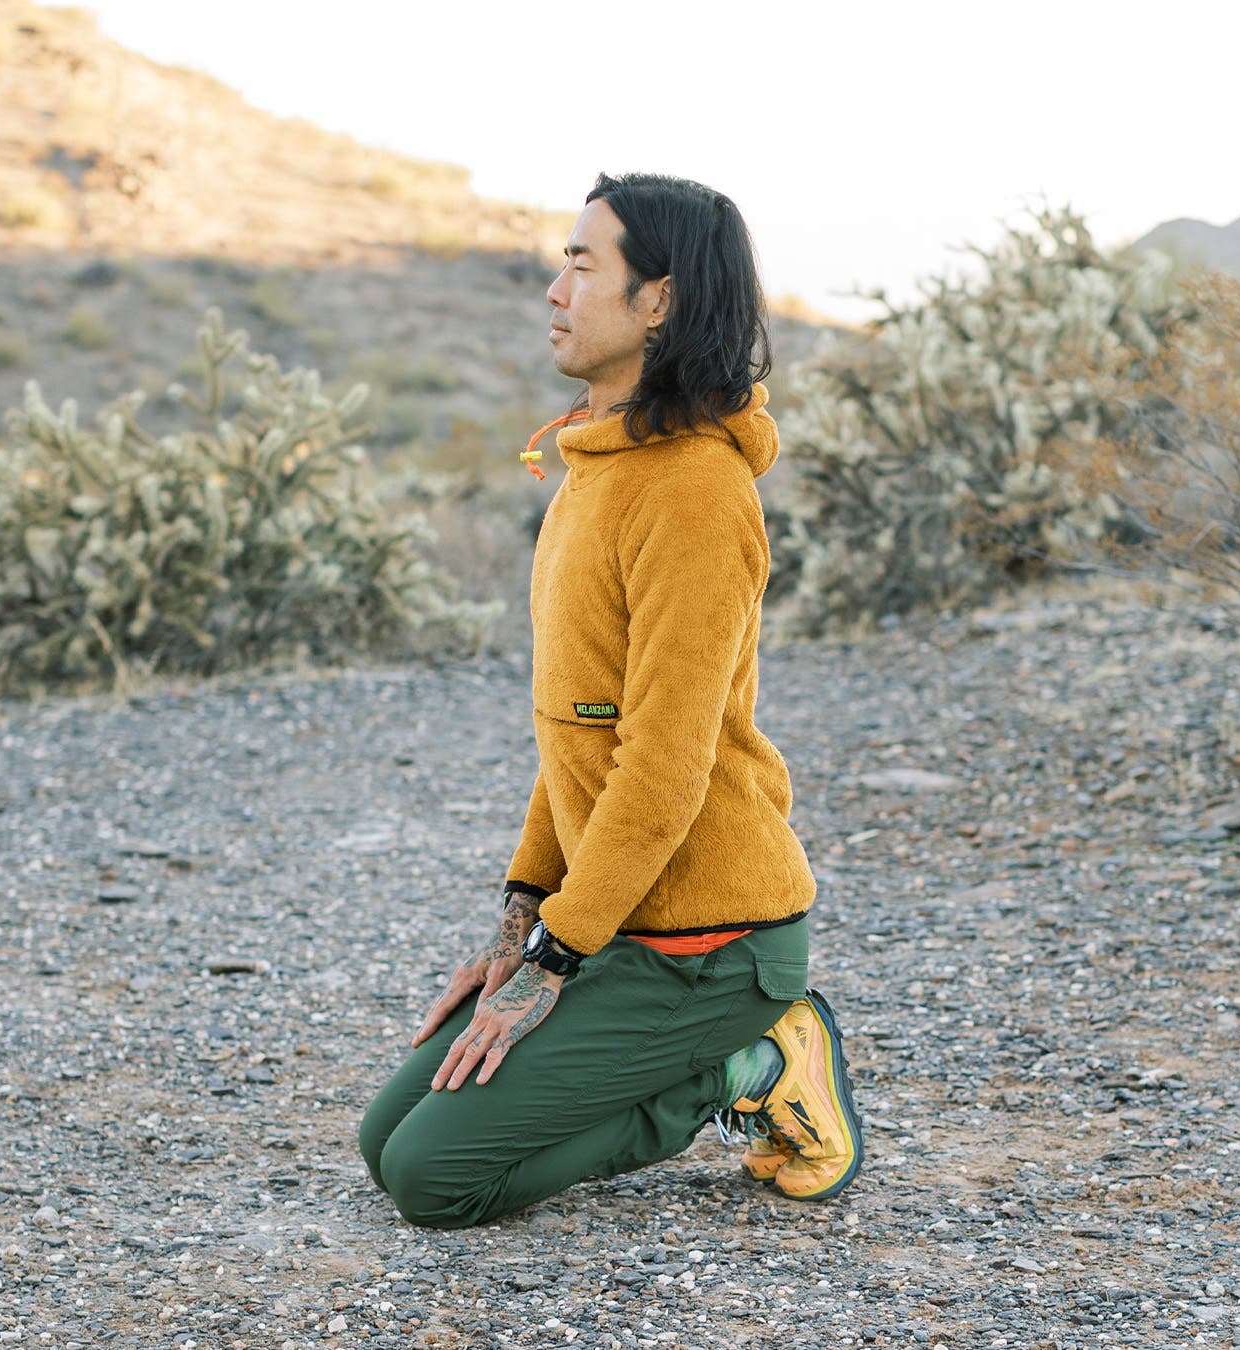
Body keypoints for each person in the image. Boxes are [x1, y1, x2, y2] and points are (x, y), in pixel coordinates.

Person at [356, 172, 864, 1230]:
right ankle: (687, 1041)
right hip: (614, 922)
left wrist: (556, 959)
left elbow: (665, 765)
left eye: (584, 264)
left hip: (711, 945)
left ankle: (753, 1068)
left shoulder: (694, 494)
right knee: (384, 1138)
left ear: (659, 302)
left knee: (435, 1178)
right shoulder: (594, 471)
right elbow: (577, 732)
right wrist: (521, 918)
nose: (554, 287)